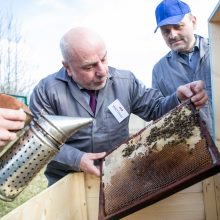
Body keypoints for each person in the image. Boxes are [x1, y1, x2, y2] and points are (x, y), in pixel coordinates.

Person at [29, 26, 208, 186]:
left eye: (104, 59)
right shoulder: (46, 92)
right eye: (89, 67)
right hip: (67, 182)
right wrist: (77, 159)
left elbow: (156, 107)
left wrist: (177, 97)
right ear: (67, 67)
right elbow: (38, 144)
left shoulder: (126, 82)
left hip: (118, 179)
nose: (102, 71)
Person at [152, 0, 213, 136]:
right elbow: (158, 115)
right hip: (192, 152)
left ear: (194, 22)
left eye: (178, 26)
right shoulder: (159, 70)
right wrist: (176, 100)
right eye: (165, 31)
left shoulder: (217, 51)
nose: (172, 35)